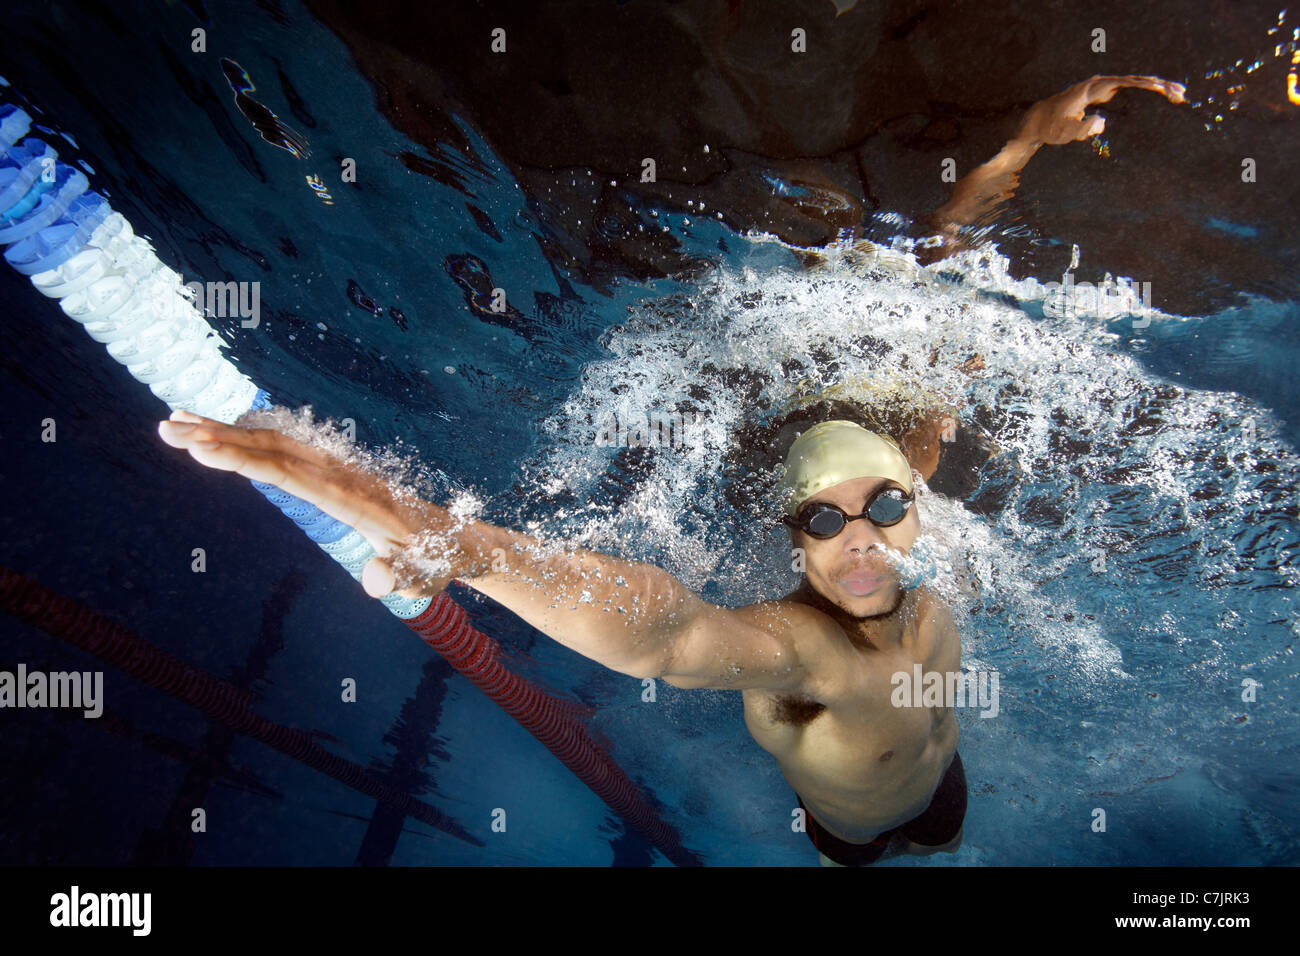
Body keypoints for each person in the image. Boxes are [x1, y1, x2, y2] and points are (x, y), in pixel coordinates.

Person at [156, 74, 1187, 865]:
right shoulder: (805, 651)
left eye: (878, 504)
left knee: (943, 819)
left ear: (916, 494)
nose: (861, 537)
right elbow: (665, 632)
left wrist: (1016, 150)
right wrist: (431, 531)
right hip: (849, 820)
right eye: (822, 522)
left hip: (940, 778)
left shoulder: (916, 492)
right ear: (790, 541)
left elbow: (949, 294)